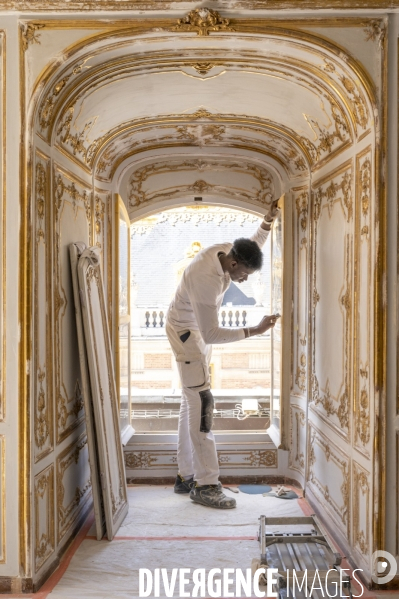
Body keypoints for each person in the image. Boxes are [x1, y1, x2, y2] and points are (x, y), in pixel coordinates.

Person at [165, 200, 281, 509]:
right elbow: (212, 333)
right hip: (188, 335)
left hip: (189, 330)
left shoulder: (229, 251)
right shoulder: (206, 280)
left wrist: (266, 223)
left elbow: (251, 245)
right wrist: (255, 330)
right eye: (243, 275)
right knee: (203, 402)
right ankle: (206, 484)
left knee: (190, 403)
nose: (244, 280)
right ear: (232, 265)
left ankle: (185, 475)